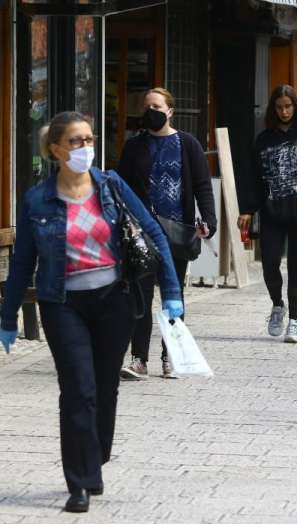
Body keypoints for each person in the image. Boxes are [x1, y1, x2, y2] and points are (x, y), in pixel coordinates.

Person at [0, 112, 181, 513]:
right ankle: (79, 482)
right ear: (56, 150)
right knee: (78, 390)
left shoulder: (111, 186)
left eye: (89, 139)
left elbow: (152, 232)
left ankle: (93, 456)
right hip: (63, 304)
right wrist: (8, 316)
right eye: (77, 142)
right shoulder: (37, 200)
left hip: (113, 299)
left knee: (105, 387)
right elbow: (22, 262)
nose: (86, 148)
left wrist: (171, 290)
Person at [117, 87, 216, 380]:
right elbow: (120, 188)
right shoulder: (134, 147)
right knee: (141, 294)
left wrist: (209, 220)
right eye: (147, 106)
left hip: (177, 232)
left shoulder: (188, 144)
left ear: (170, 111)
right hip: (141, 232)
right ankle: (139, 359)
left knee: (173, 294)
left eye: (157, 106)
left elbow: (202, 185)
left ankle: (170, 356)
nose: (152, 111)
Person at [238, 84, 297, 343]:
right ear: (273, 109)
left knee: (296, 265)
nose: (284, 111)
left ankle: (294, 320)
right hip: (272, 211)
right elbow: (254, 179)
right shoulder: (263, 140)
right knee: (269, 263)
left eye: (288, 106)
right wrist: (247, 209)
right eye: (280, 107)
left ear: (295, 106)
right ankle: (277, 305)